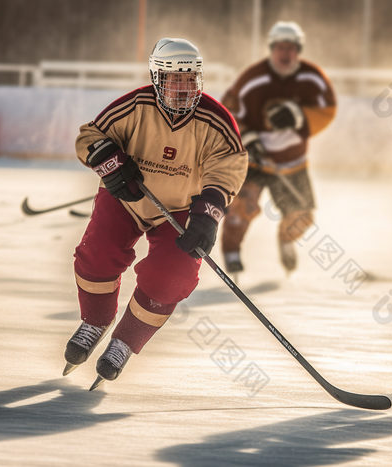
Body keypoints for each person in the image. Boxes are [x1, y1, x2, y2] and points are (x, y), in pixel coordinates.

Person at [62, 38, 247, 388]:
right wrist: (109, 162)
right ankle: (96, 321)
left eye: (190, 79)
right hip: (127, 199)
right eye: (174, 79)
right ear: (157, 77)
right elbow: (91, 136)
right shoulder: (134, 105)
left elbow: (228, 167)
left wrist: (208, 214)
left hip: (177, 211)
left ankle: (124, 342)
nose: (183, 88)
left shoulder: (216, 121)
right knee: (96, 255)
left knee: (173, 277)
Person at [219, 21, 337, 275]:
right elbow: (227, 112)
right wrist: (248, 138)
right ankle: (231, 252)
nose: (286, 53)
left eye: (292, 48)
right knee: (240, 208)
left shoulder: (312, 78)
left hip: (292, 161)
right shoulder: (253, 78)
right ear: (272, 48)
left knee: (301, 217)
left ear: (299, 50)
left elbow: (327, 109)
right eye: (281, 47)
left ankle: (285, 239)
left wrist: (298, 116)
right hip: (254, 161)